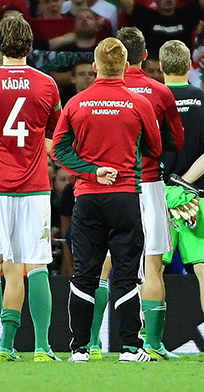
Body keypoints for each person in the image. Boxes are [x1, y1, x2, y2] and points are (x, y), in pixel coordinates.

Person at [53, 37, 161, 364]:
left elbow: (59, 150)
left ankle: (79, 349)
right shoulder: (139, 103)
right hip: (126, 196)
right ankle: (130, 348)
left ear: (96, 66)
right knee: (126, 273)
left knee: (85, 273)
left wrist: (91, 170)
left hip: (87, 197)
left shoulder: (76, 103)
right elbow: (155, 147)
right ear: (126, 66)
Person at [0, 16, 62, 362]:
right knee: (36, 265)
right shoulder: (48, 85)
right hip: (35, 186)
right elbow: (55, 136)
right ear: (30, 45)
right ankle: (41, 347)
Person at [117, 27, 184, 360]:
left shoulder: (102, 94)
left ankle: (94, 343)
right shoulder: (160, 92)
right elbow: (177, 141)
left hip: (111, 186)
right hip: (149, 183)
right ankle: (154, 343)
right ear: (145, 56)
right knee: (153, 264)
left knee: (104, 264)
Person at [159, 40, 204, 357]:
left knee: (152, 267)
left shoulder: (152, 102)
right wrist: (185, 184)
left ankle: (150, 342)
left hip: (159, 197)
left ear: (160, 68)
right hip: (197, 196)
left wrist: (169, 189)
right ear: (189, 67)